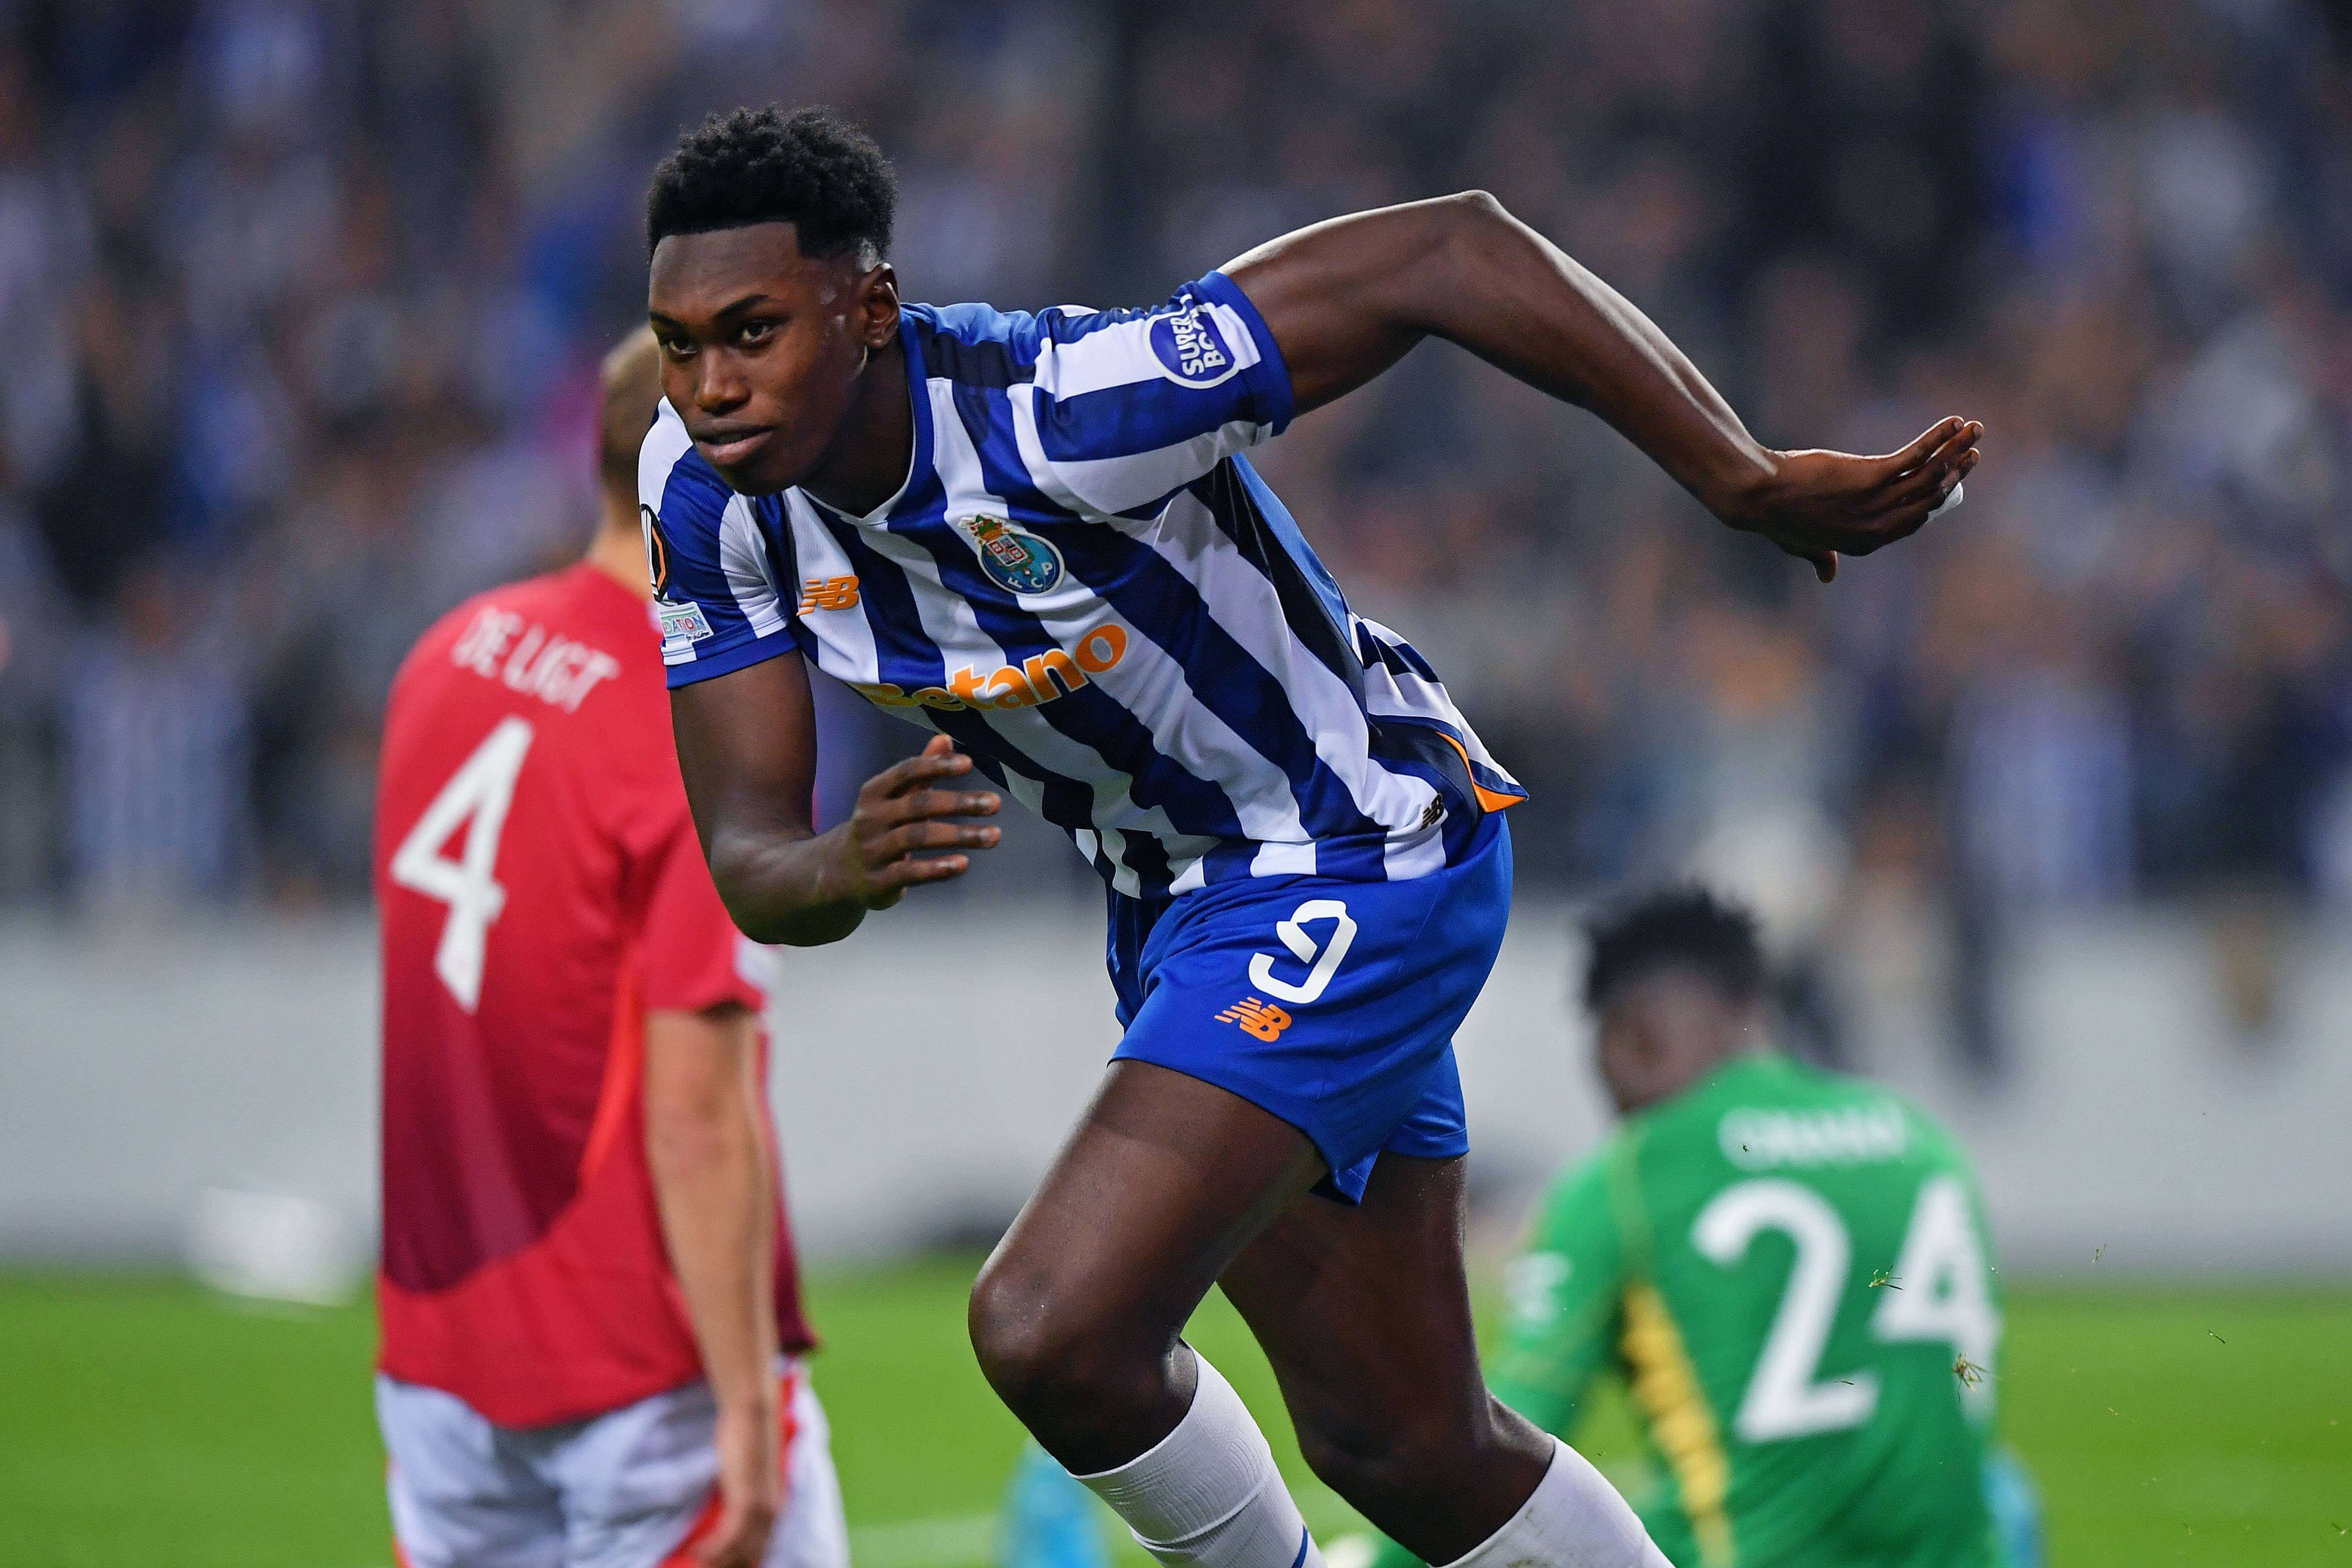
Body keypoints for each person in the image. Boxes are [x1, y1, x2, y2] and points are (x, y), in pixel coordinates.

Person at [640, 104, 1981, 1568]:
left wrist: (1736, 474)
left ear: (870, 306)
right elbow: (751, 855)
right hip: (1179, 914)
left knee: (1050, 1324)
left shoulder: (1063, 405)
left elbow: (1449, 247)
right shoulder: (705, 502)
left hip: (1356, 847)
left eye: (752, 331)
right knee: (1403, 1445)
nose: (712, 386)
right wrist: (836, 864)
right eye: (680, 344)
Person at [372, 329, 846, 1568]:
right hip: (636, 1363)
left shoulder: (445, 658)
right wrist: (748, 1402)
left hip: (440, 1362)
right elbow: (696, 1111)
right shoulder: (696, 723)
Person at [1361, 887, 2029, 1568]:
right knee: (2010, 1496)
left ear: (1632, 1039)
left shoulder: (1628, 1179)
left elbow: (1483, 1445)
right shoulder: (1920, 1141)